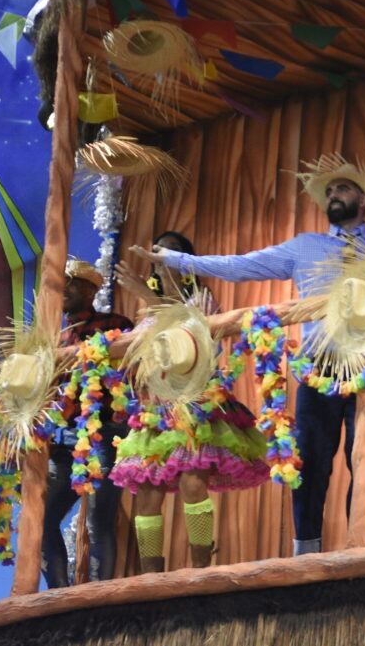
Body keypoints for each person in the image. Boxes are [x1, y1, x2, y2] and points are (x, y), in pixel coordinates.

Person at [130, 158, 365, 554]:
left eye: (343, 189)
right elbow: (240, 266)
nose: (334, 196)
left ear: (364, 200)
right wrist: (177, 261)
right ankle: (306, 550)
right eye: (330, 192)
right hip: (319, 368)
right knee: (309, 461)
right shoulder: (306, 247)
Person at [113, 231, 269, 572]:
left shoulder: (202, 299)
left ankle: (201, 570)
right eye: (157, 254)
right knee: (148, 493)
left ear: (185, 265)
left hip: (196, 404)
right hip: (157, 409)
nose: (163, 260)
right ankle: (151, 577)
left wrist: (144, 294)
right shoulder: (148, 315)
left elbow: (192, 330)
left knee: (192, 483)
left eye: (171, 254)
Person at [42, 259, 134, 588]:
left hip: (105, 433)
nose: (64, 289)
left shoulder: (116, 324)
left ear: (92, 290)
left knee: (98, 522)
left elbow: (132, 372)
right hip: (63, 440)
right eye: (60, 283)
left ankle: (96, 601)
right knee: (41, 518)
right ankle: (57, 599)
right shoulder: (52, 335)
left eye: (72, 282)